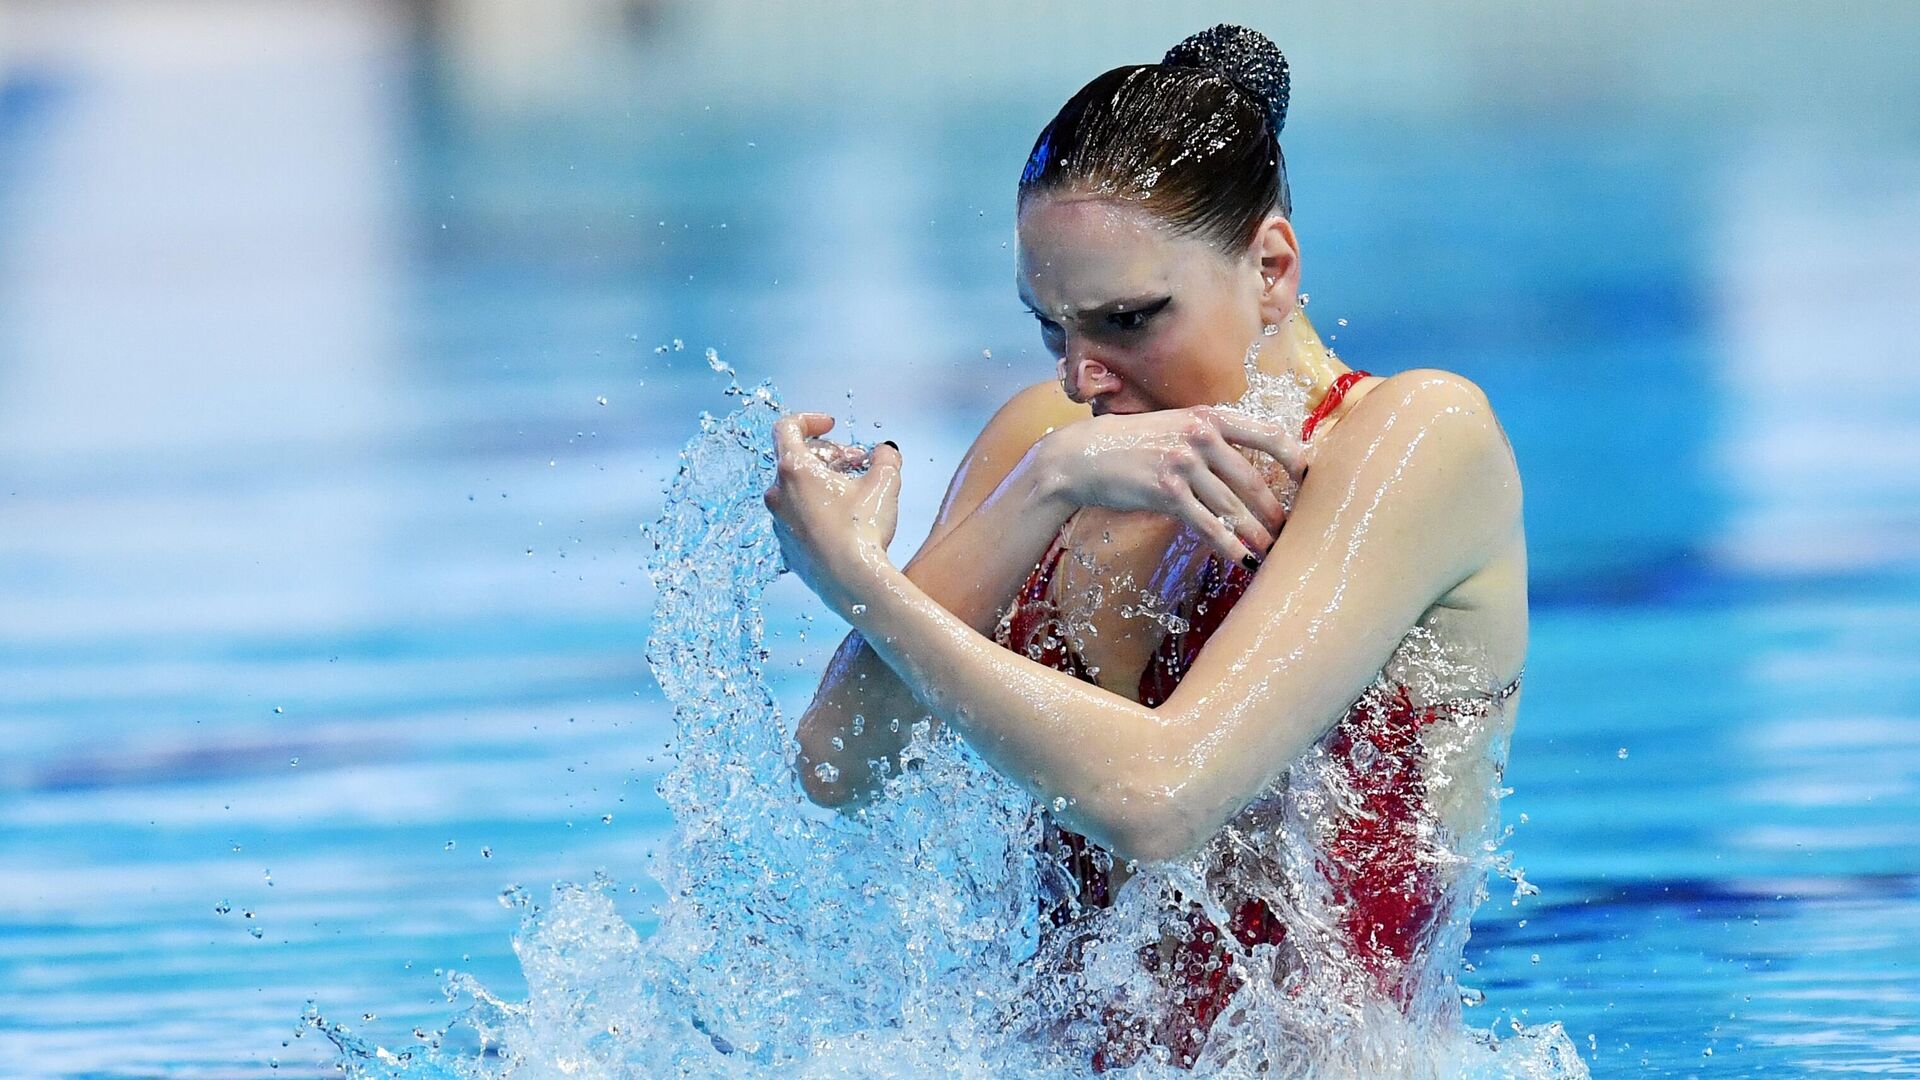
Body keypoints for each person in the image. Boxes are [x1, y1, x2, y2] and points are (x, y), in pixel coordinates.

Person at [762, 24, 1527, 1072]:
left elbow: (1158, 802)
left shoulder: (1412, 444)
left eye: (1128, 320)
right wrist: (1042, 488)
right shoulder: (1048, 450)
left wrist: (855, 579)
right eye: (1051, 327)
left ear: (1271, 267)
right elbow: (840, 762)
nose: (1083, 378)